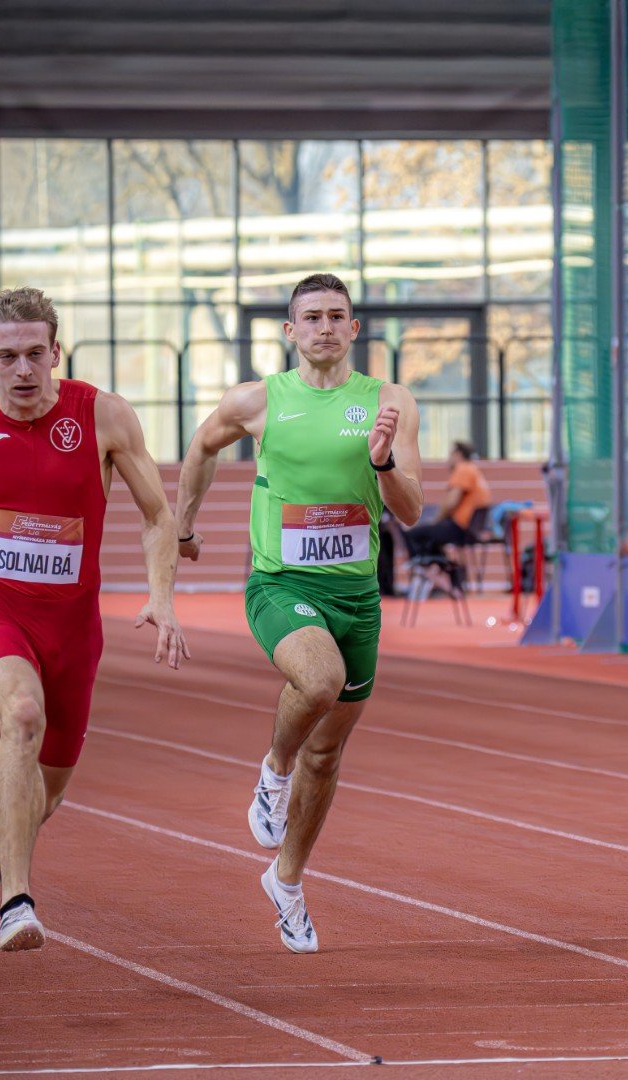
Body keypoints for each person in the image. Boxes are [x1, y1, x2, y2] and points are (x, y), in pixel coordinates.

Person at [0, 286, 188, 951]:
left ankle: (5, 840)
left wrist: (161, 597)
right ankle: (17, 903)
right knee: (22, 716)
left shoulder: (104, 417)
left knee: (46, 796)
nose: (24, 370)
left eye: (36, 354)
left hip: (74, 633)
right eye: (9, 357)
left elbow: (157, 515)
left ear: (56, 351)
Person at [176, 272, 423, 953]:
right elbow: (201, 448)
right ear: (290, 332)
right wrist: (184, 528)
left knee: (330, 753)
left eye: (335, 315)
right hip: (280, 582)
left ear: (353, 329)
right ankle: (271, 773)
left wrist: (380, 464)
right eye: (309, 316)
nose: (322, 326)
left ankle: (285, 882)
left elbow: (411, 509)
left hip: (356, 594)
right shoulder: (257, 401)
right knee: (318, 680)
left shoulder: (389, 402)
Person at [403, 441, 491, 586]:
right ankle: (445, 574)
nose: (448, 459)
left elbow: (451, 502)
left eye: (450, 454)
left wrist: (436, 520)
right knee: (432, 536)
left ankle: (428, 572)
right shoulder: (474, 470)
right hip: (470, 528)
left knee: (414, 534)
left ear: (458, 455)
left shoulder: (463, 470)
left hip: (460, 528)